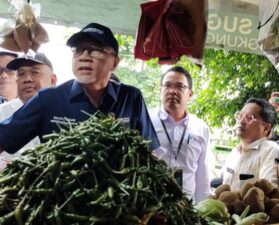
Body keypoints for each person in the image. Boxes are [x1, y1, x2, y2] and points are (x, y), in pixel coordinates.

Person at [0, 22, 160, 153]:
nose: (84, 57)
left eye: (95, 50)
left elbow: (148, 151)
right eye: (78, 50)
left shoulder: (131, 97)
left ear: (115, 62)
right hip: (61, 190)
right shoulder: (48, 99)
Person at [149, 66, 213, 203]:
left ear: (190, 94)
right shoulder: (146, 120)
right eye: (167, 85)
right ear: (160, 90)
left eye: (179, 87)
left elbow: (203, 174)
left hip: (185, 206)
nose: (172, 91)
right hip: (150, 201)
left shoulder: (200, 128)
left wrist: (203, 208)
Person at [0, 53, 57, 169]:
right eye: (21, 74)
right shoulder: (2, 113)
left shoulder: (70, 111)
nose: (27, 79)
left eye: (35, 72)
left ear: (52, 80)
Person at [221, 98, 279, 191]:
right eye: (240, 115)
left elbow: (268, 193)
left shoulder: (269, 150)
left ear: (266, 128)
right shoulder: (234, 152)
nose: (241, 121)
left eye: (249, 118)